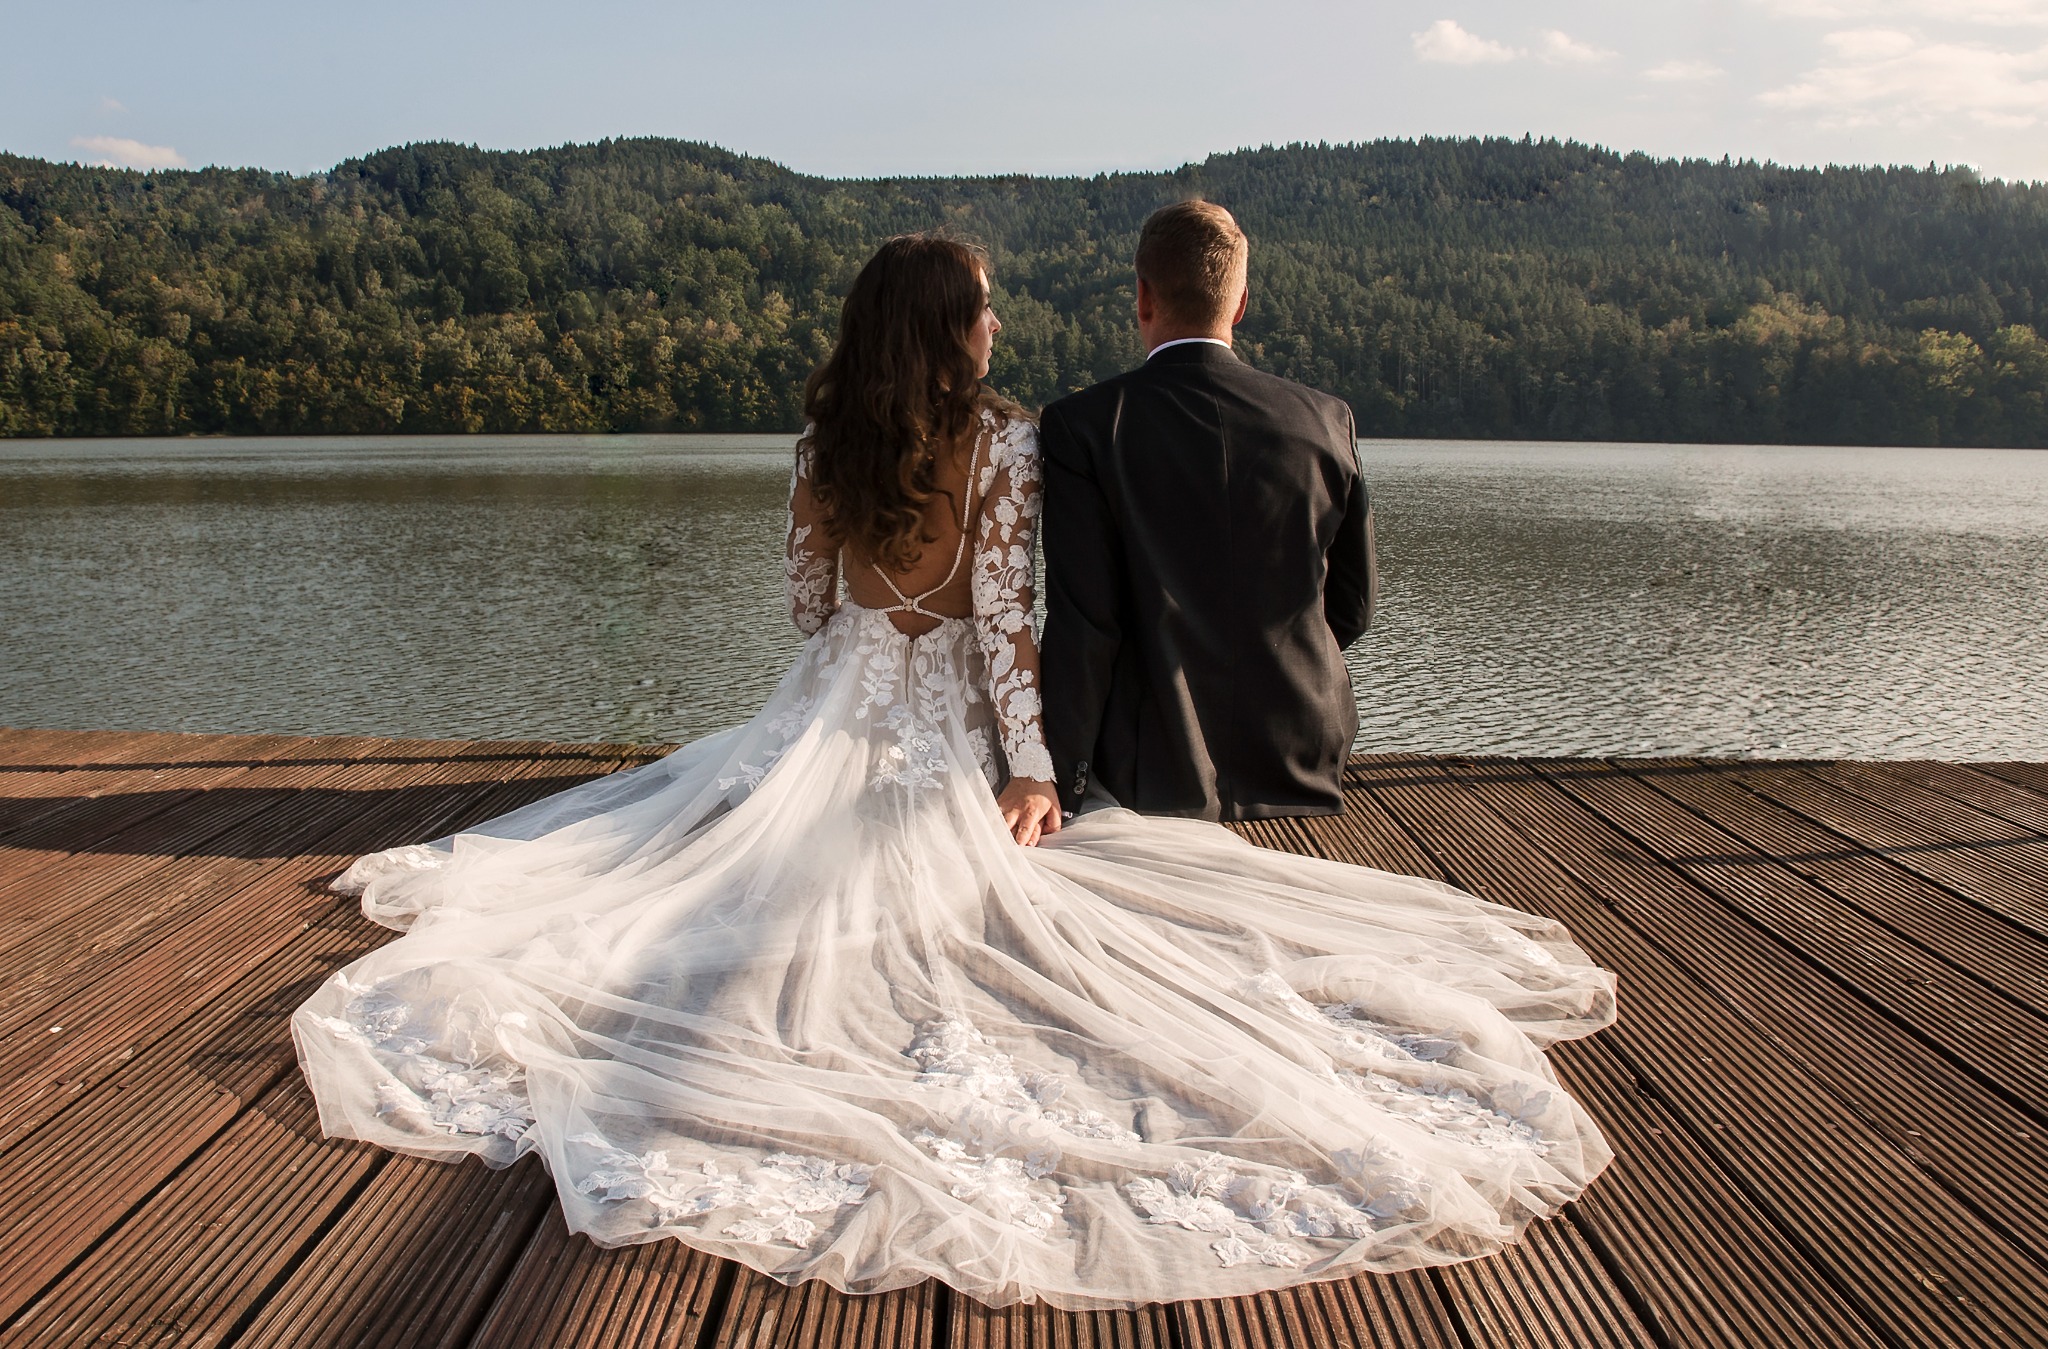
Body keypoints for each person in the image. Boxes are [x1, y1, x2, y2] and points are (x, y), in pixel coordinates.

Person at [293, 232, 1616, 1312]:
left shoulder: (819, 450)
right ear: (945, 329)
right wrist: (1031, 771)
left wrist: (869, 627)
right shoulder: (1008, 446)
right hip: (943, 719)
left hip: (834, 705)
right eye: (983, 310)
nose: (998, 328)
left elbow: (810, 611)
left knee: (696, 852)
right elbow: (1005, 625)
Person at [1041, 200, 1376, 821]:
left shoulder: (1081, 427)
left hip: (1153, 769)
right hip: (1303, 758)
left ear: (1142, 296)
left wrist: (1061, 777)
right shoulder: (1328, 422)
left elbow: (1085, 627)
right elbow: (1351, 607)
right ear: (1241, 303)